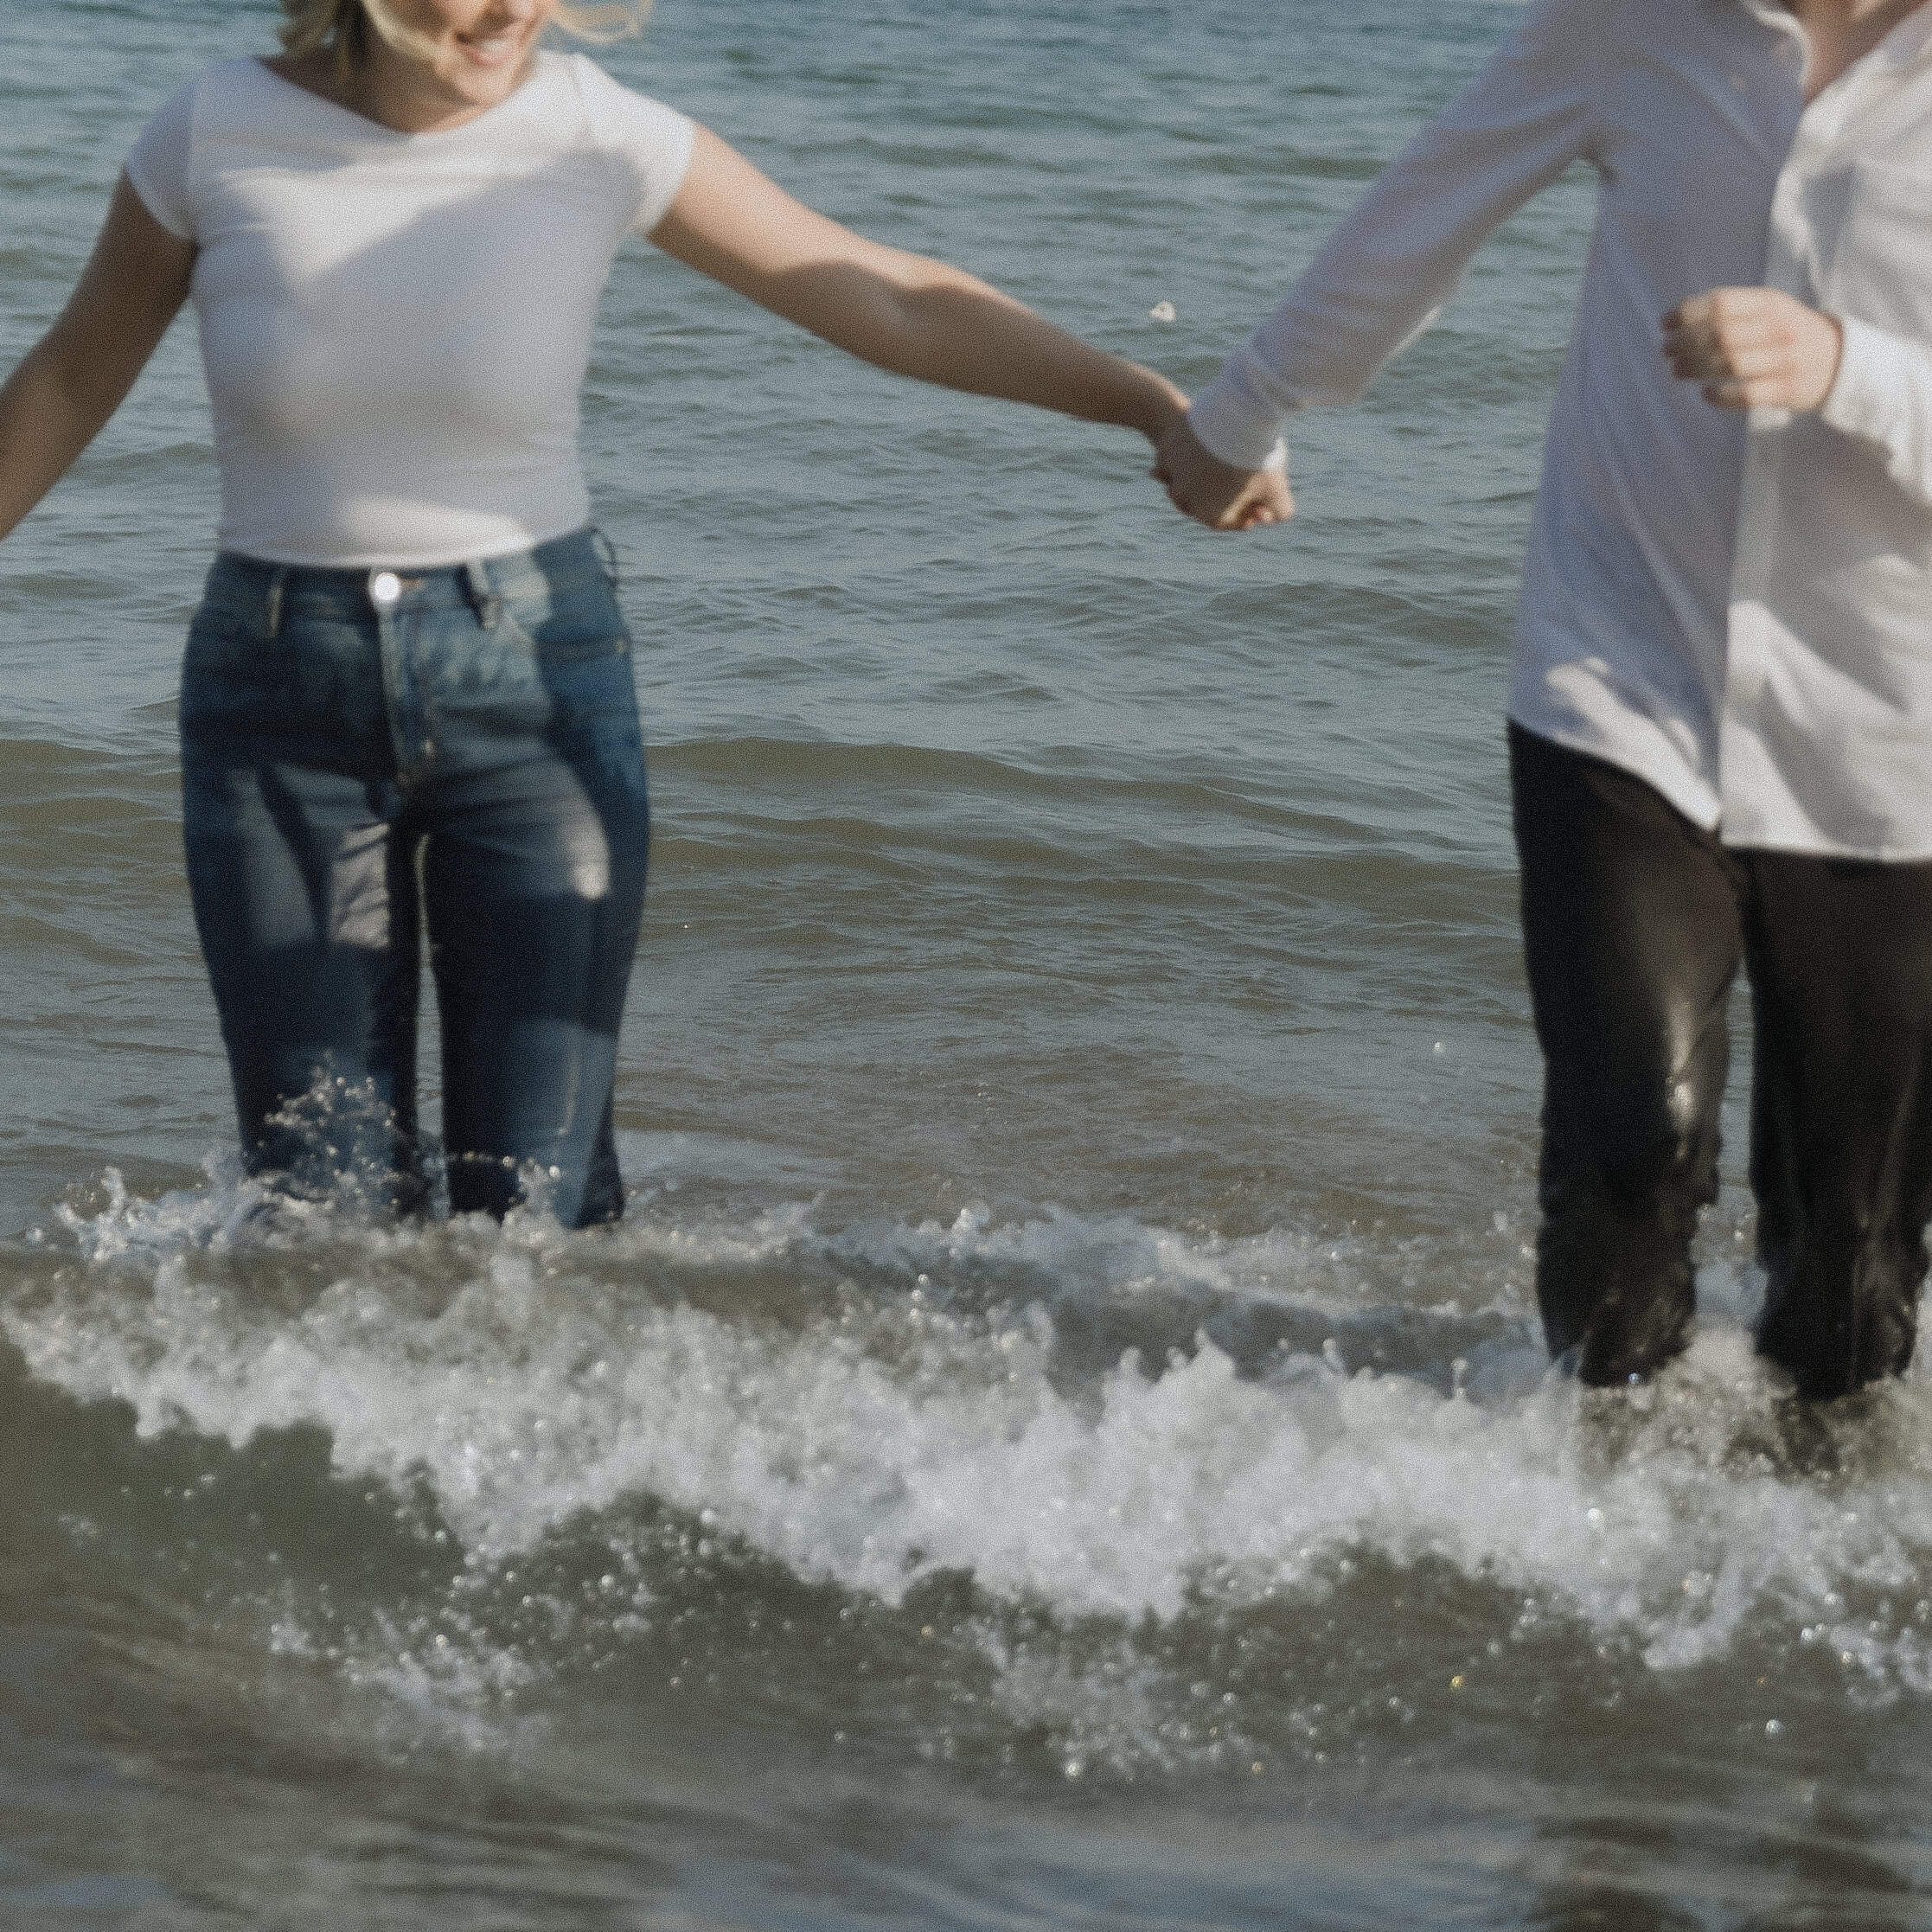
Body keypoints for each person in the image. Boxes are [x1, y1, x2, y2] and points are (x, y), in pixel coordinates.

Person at [0, 0, 1187, 1229]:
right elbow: (70, 376)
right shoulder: (214, 129)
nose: (510, 7)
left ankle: (530, 1425)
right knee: (318, 1209)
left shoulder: (595, 133)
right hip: (278, 706)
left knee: (538, 1211)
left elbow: (890, 300)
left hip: (536, 693)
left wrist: (1149, 407)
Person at [1151, 0, 1932, 1398]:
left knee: (1852, 1279)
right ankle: (1580, 1529)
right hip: (1617, 675)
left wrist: (1845, 369)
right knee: (1629, 1155)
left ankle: (1782, 1562)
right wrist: (1239, 415)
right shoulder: (1630, 21)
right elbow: (1421, 214)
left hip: (1894, 741)